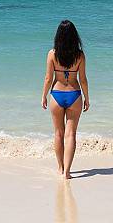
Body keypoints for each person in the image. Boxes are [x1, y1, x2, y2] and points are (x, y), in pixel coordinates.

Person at [41, 20, 90, 179]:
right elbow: (83, 79)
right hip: (74, 95)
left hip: (57, 94)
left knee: (58, 133)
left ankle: (60, 168)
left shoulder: (52, 54)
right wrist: (87, 98)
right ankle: (67, 172)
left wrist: (43, 96)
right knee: (71, 134)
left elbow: (48, 78)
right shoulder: (80, 55)